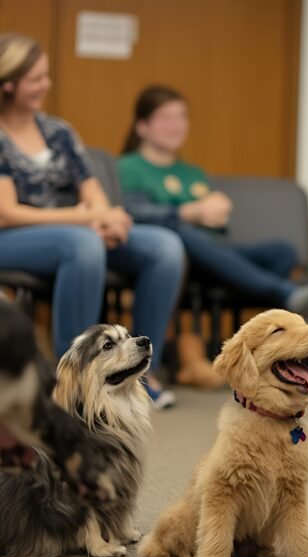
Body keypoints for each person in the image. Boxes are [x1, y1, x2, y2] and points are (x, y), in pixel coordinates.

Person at [0, 34, 184, 409]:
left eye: (46, 76)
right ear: (8, 84)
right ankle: (73, 381)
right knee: (82, 245)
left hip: (75, 232)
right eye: (36, 79)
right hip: (14, 236)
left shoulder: (58, 132)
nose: (46, 85)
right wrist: (87, 219)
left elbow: (92, 190)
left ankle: (138, 372)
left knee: (164, 247)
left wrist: (105, 217)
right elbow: (7, 212)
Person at [117, 86, 308, 326]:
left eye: (181, 117)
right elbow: (133, 213)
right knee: (183, 233)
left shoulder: (192, 172)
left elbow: (216, 227)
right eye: (166, 118)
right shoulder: (128, 166)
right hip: (177, 260)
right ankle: (284, 292)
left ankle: (267, 322)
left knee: (283, 252)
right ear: (142, 126)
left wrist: (218, 213)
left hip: (214, 254)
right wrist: (186, 213)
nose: (176, 125)